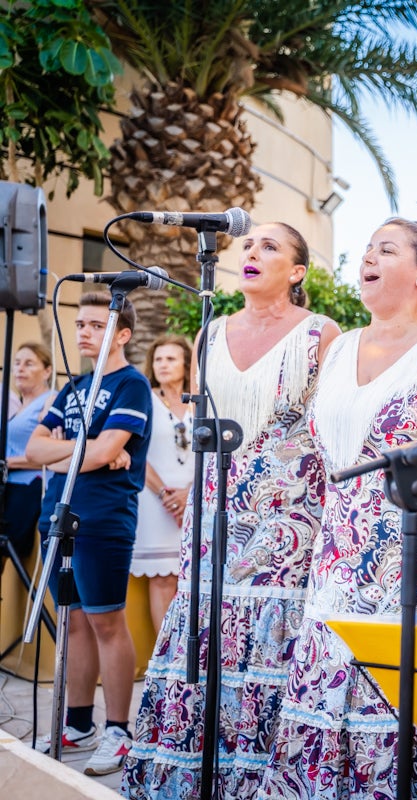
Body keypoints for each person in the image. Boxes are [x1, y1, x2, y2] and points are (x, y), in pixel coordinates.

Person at [259, 218, 417, 799]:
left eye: (386, 249)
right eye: (367, 249)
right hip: (339, 556)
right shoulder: (340, 347)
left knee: (408, 708)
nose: (367, 257)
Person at [124, 222, 340, 799]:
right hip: (215, 506)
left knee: (274, 634)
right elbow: (200, 431)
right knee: (208, 625)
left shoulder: (322, 334)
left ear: (297, 272)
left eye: (270, 246)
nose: (252, 251)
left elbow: (335, 431)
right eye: (249, 244)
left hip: (290, 517)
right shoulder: (209, 333)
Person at [25, 292, 153, 776]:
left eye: (96, 325)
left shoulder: (131, 386)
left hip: (103, 518)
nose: (82, 332)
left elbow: (103, 456)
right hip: (57, 514)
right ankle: (77, 723)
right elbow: (34, 448)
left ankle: (118, 729)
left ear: (121, 334)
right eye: (79, 324)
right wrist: (90, 447)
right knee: (72, 621)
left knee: (105, 621)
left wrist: (86, 450)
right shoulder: (72, 387)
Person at [132, 334, 194, 632]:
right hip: (154, 499)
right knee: (163, 579)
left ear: (187, 363)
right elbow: (134, 452)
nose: (163, 365)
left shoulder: (202, 402)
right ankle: (164, 661)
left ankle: (192, 661)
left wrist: (189, 495)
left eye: (171, 358)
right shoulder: (145, 399)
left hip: (197, 500)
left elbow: (215, 454)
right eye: (158, 359)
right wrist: (166, 495)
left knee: (194, 577)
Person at [4, 341, 56, 559]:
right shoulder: (18, 405)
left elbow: (53, 452)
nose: (20, 369)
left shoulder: (50, 400)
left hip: (31, 487)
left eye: (28, 364)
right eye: (17, 363)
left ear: (47, 371)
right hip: (10, 487)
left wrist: (8, 463)